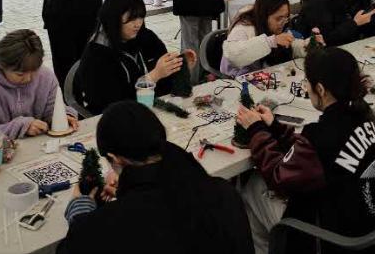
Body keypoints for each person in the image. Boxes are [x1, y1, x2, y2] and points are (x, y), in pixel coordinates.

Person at [238, 47, 375, 254]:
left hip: (330, 239)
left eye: (307, 83)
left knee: (252, 186)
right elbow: (317, 154)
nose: (306, 88)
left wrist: (256, 130)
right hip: (370, 228)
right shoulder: (364, 114)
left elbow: (278, 177)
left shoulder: (322, 135)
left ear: (320, 89)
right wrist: (275, 128)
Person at [58, 100, 253, 254]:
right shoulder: (224, 192)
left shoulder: (101, 229)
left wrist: (80, 214)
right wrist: (130, 194)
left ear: (114, 158)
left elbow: (77, 246)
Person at [73, 0, 196, 115]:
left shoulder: (146, 37)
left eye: (141, 17)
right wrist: (153, 76)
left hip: (151, 110)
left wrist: (178, 68)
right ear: (114, 18)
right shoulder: (96, 54)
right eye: (132, 19)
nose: (138, 24)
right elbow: (111, 105)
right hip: (114, 118)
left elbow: (166, 88)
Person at [0, 29, 79, 143]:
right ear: (1, 65)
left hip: (41, 146)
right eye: (20, 74)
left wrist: (62, 117)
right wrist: (21, 127)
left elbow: (52, 109)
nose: (28, 78)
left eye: (34, 71)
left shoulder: (45, 76)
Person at [221, 0, 317, 77]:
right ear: (264, 16)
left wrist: (307, 46)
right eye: (278, 18)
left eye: (286, 17)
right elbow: (233, 56)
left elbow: (290, 45)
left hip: (262, 76)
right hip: (236, 79)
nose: (282, 23)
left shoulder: (281, 25)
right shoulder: (244, 28)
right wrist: (271, 41)